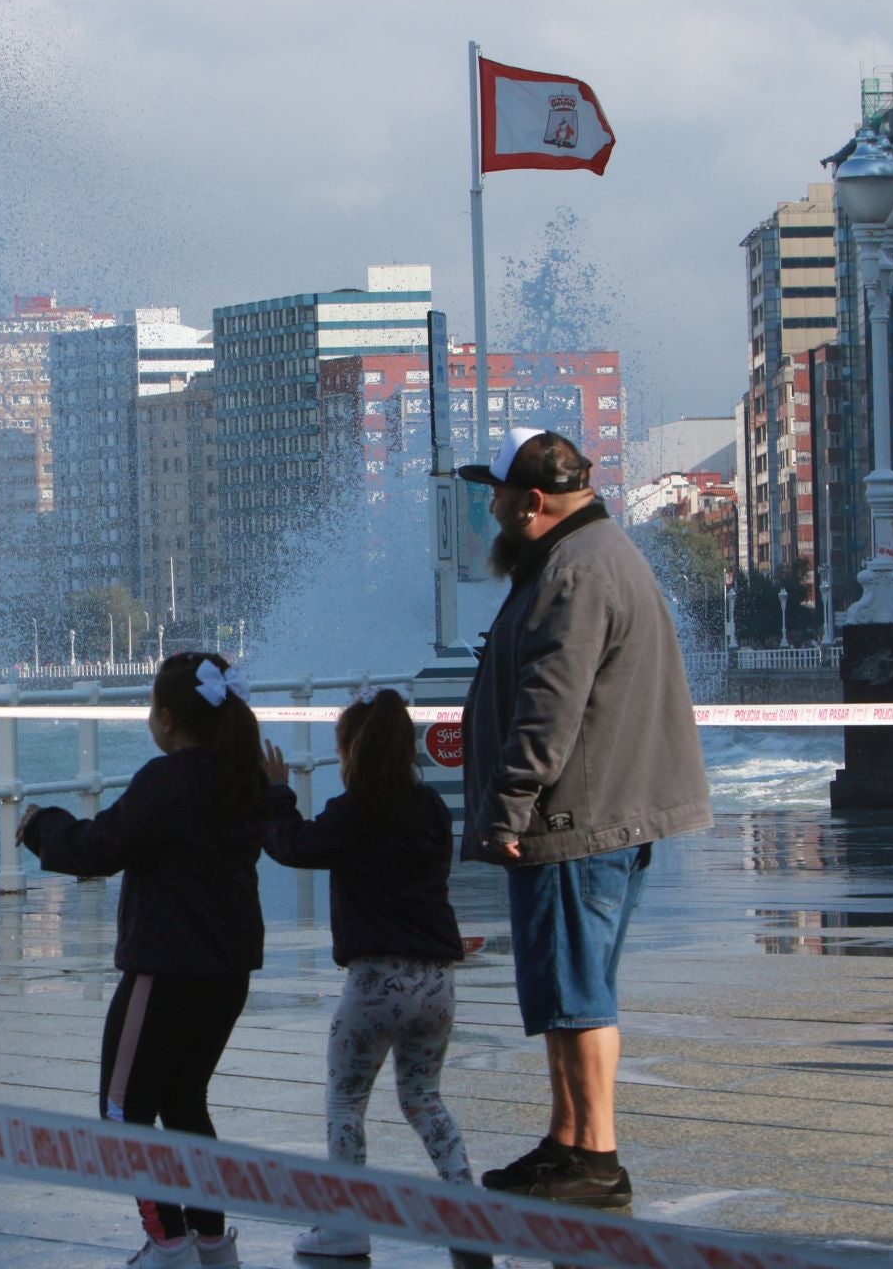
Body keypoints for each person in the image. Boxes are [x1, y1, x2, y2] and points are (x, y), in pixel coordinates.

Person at [458, 427, 711, 1208]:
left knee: (578, 994)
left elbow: (550, 708)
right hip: (588, 814)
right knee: (566, 989)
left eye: (495, 498)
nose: (490, 512)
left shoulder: (575, 570)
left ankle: (596, 1156)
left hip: (575, 819)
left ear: (532, 502)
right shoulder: (589, 555)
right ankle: (567, 1141)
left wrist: (509, 807)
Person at [17, 651, 268, 1269]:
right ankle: (212, 1244)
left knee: (122, 1111)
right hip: (227, 973)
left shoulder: (167, 779)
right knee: (186, 1103)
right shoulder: (246, 777)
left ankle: (168, 1244)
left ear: (167, 719)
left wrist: (41, 827)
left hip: (164, 972)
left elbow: (101, 847)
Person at [261, 689, 479, 1261]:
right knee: (424, 1099)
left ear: (351, 750)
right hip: (436, 980)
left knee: (346, 1101)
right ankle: (470, 1213)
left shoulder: (355, 810)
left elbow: (291, 846)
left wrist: (275, 794)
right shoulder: (431, 807)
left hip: (376, 983)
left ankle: (345, 1225)